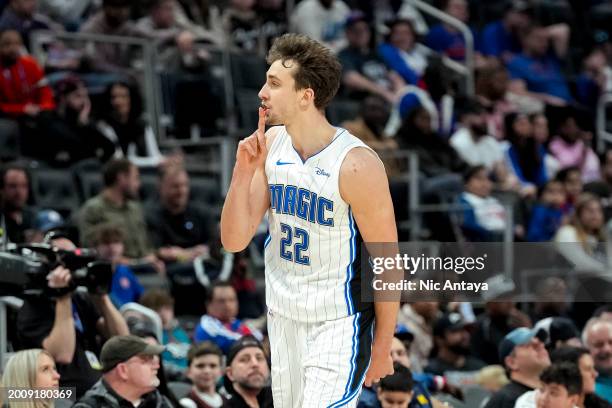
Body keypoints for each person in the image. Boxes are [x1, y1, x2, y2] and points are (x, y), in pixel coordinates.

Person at [220, 33, 400, 406]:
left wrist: (383, 346)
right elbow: (234, 241)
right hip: (283, 315)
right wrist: (242, 173)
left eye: (274, 84)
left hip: (337, 321)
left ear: (306, 95)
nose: (261, 93)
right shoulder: (271, 145)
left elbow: (387, 263)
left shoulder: (355, 163)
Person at [16, 235, 130, 397]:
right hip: (61, 394)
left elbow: (122, 339)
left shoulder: (81, 298)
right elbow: (63, 354)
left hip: (98, 392)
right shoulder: (34, 306)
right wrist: (63, 296)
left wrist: (101, 295)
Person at [78, 158, 163, 271]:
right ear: (121, 178)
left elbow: (146, 244)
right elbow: (89, 247)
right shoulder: (93, 209)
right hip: (115, 269)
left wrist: (153, 257)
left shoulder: (135, 208)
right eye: (136, 178)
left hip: (144, 266)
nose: (139, 184)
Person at [72, 335, 173, 408]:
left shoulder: (157, 401)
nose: (156, 366)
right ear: (123, 370)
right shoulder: (90, 406)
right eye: (145, 361)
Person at [483, 327, 550, 408]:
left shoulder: (547, 394)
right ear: (512, 362)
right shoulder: (508, 400)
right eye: (529, 345)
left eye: (541, 343)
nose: (541, 346)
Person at [194, 281, 262, 353]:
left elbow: (258, 338)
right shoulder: (205, 327)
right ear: (208, 305)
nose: (227, 305)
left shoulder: (238, 323)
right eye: (221, 301)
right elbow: (230, 344)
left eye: (231, 300)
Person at [92, 223, 145, 308]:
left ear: (123, 246)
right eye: (106, 243)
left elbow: (141, 297)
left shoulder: (125, 271)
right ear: (96, 247)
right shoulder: (92, 274)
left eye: (116, 242)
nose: (111, 247)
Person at [139, 289, 191, 372]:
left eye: (167, 308)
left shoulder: (181, 333)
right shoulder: (148, 337)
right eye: (157, 310)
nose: (163, 314)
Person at [554, 193, 608, 273]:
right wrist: (606, 271)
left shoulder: (601, 237)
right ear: (578, 213)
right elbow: (581, 264)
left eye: (599, 211)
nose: (596, 215)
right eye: (590, 210)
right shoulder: (567, 232)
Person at [425, 312, 486, 378]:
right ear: (439, 339)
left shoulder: (479, 368)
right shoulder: (431, 371)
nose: (465, 335)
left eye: (466, 330)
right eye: (456, 331)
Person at [222, 335, 273, 408]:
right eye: (244, 359)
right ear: (230, 373)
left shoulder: (280, 400)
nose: (255, 364)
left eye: (259, 358)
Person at [0, 162, 36, 243]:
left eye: (24, 186)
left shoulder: (33, 218)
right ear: (1, 189)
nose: (19, 192)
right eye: (13, 186)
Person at [180, 342, 224, 408]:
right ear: (188, 371)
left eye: (213, 366)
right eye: (200, 366)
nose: (207, 371)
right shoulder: (186, 404)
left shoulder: (227, 400)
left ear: (221, 371)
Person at [583, 319, 612, 403]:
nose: (607, 349)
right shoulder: (586, 391)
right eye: (599, 344)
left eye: (611, 342)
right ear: (586, 351)